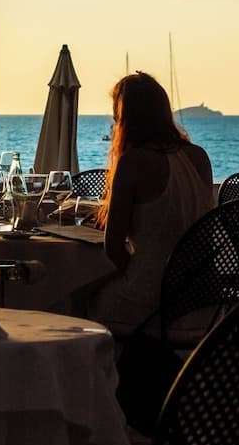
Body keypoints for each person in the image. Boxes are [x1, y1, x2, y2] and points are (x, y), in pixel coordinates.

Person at [85, 72, 215, 335]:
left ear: (126, 119)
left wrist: (141, 275)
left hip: (154, 302)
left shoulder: (133, 162)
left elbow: (113, 247)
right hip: (202, 301)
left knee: (74, 305)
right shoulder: (199, 157)